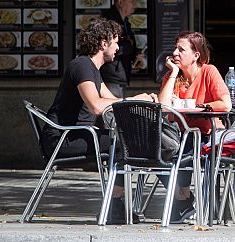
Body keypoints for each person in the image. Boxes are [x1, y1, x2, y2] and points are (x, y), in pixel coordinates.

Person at [40, 17, 157, 224]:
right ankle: (114, 206)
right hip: (62, 139)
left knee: (127, 140)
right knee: (124, 143)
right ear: (104, 43)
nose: (118, 47)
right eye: (116, 42)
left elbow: (111, 101)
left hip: (75, 135)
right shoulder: (82, 65)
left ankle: (117, 205)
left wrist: (138, 99)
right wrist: (134, 100)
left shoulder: (92, 69)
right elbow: (96, 105)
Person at [158, 31, 232, 223]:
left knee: (184, 150)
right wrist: (174, 73)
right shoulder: (172, 76)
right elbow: (164, 108)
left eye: (181, 49)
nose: (175, 53)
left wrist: (199, 107)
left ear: (196, 55)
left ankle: (185, 203)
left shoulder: (209, 71)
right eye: (175, 48)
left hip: (210, 135)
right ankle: (183, 200)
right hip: (182, 136)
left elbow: (226, 103)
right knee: (155, 152)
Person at [100, 0, 143, 98]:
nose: (135, 5)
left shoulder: (124, 20)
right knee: (112, 111)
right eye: (132, 1)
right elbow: (108, 48)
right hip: (111, 75)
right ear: (120, 2)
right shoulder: (109, 20)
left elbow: (127, 43)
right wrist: (129, 47)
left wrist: (135, 52)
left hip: (118, 74)